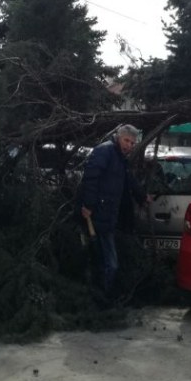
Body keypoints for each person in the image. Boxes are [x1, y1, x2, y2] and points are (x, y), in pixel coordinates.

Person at [79, 124, 150, 295]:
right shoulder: (105, 152)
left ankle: (100, 294)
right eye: (126, 141)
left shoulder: (119, 158)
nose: (129, 145)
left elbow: (128, 179)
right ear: (118, 137)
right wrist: (88, 205)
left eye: (132, 143)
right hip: (97, 216)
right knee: (109, 263)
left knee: (104, 261)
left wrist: (142, 196)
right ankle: (102, 297)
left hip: (108, 217)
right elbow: (90, 178)